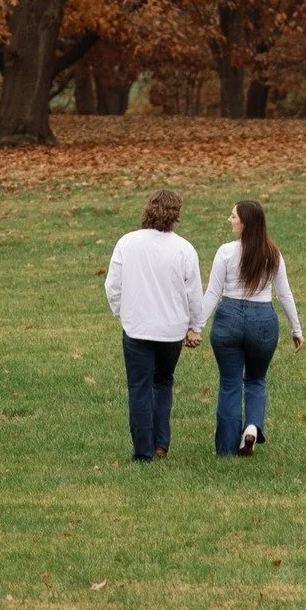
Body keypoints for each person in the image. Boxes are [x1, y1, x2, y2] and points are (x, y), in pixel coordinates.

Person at [103, 188, 204, 462]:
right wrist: (195, 326)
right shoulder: (184, 249)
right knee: (163, 382)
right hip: (171, 330)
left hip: (137, 327)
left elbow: (113, 285)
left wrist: (122, 312)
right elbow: (194, 292)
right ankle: (161, 443)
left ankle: (143, 451)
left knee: (139, 387)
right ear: (176, 216)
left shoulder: (128, 243)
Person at [198, 198, 303, 457]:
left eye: (233, 216)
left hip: (228, 318)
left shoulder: (225, 252)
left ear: (245, 223)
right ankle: (253, 426)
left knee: (229, 382)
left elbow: (213, 292)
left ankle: (225, 448)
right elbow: (285, 295)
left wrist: (196, 325)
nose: (230, 220)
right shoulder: (273, 254)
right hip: (263, 321)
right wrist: (296, 329)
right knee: (256, 379)